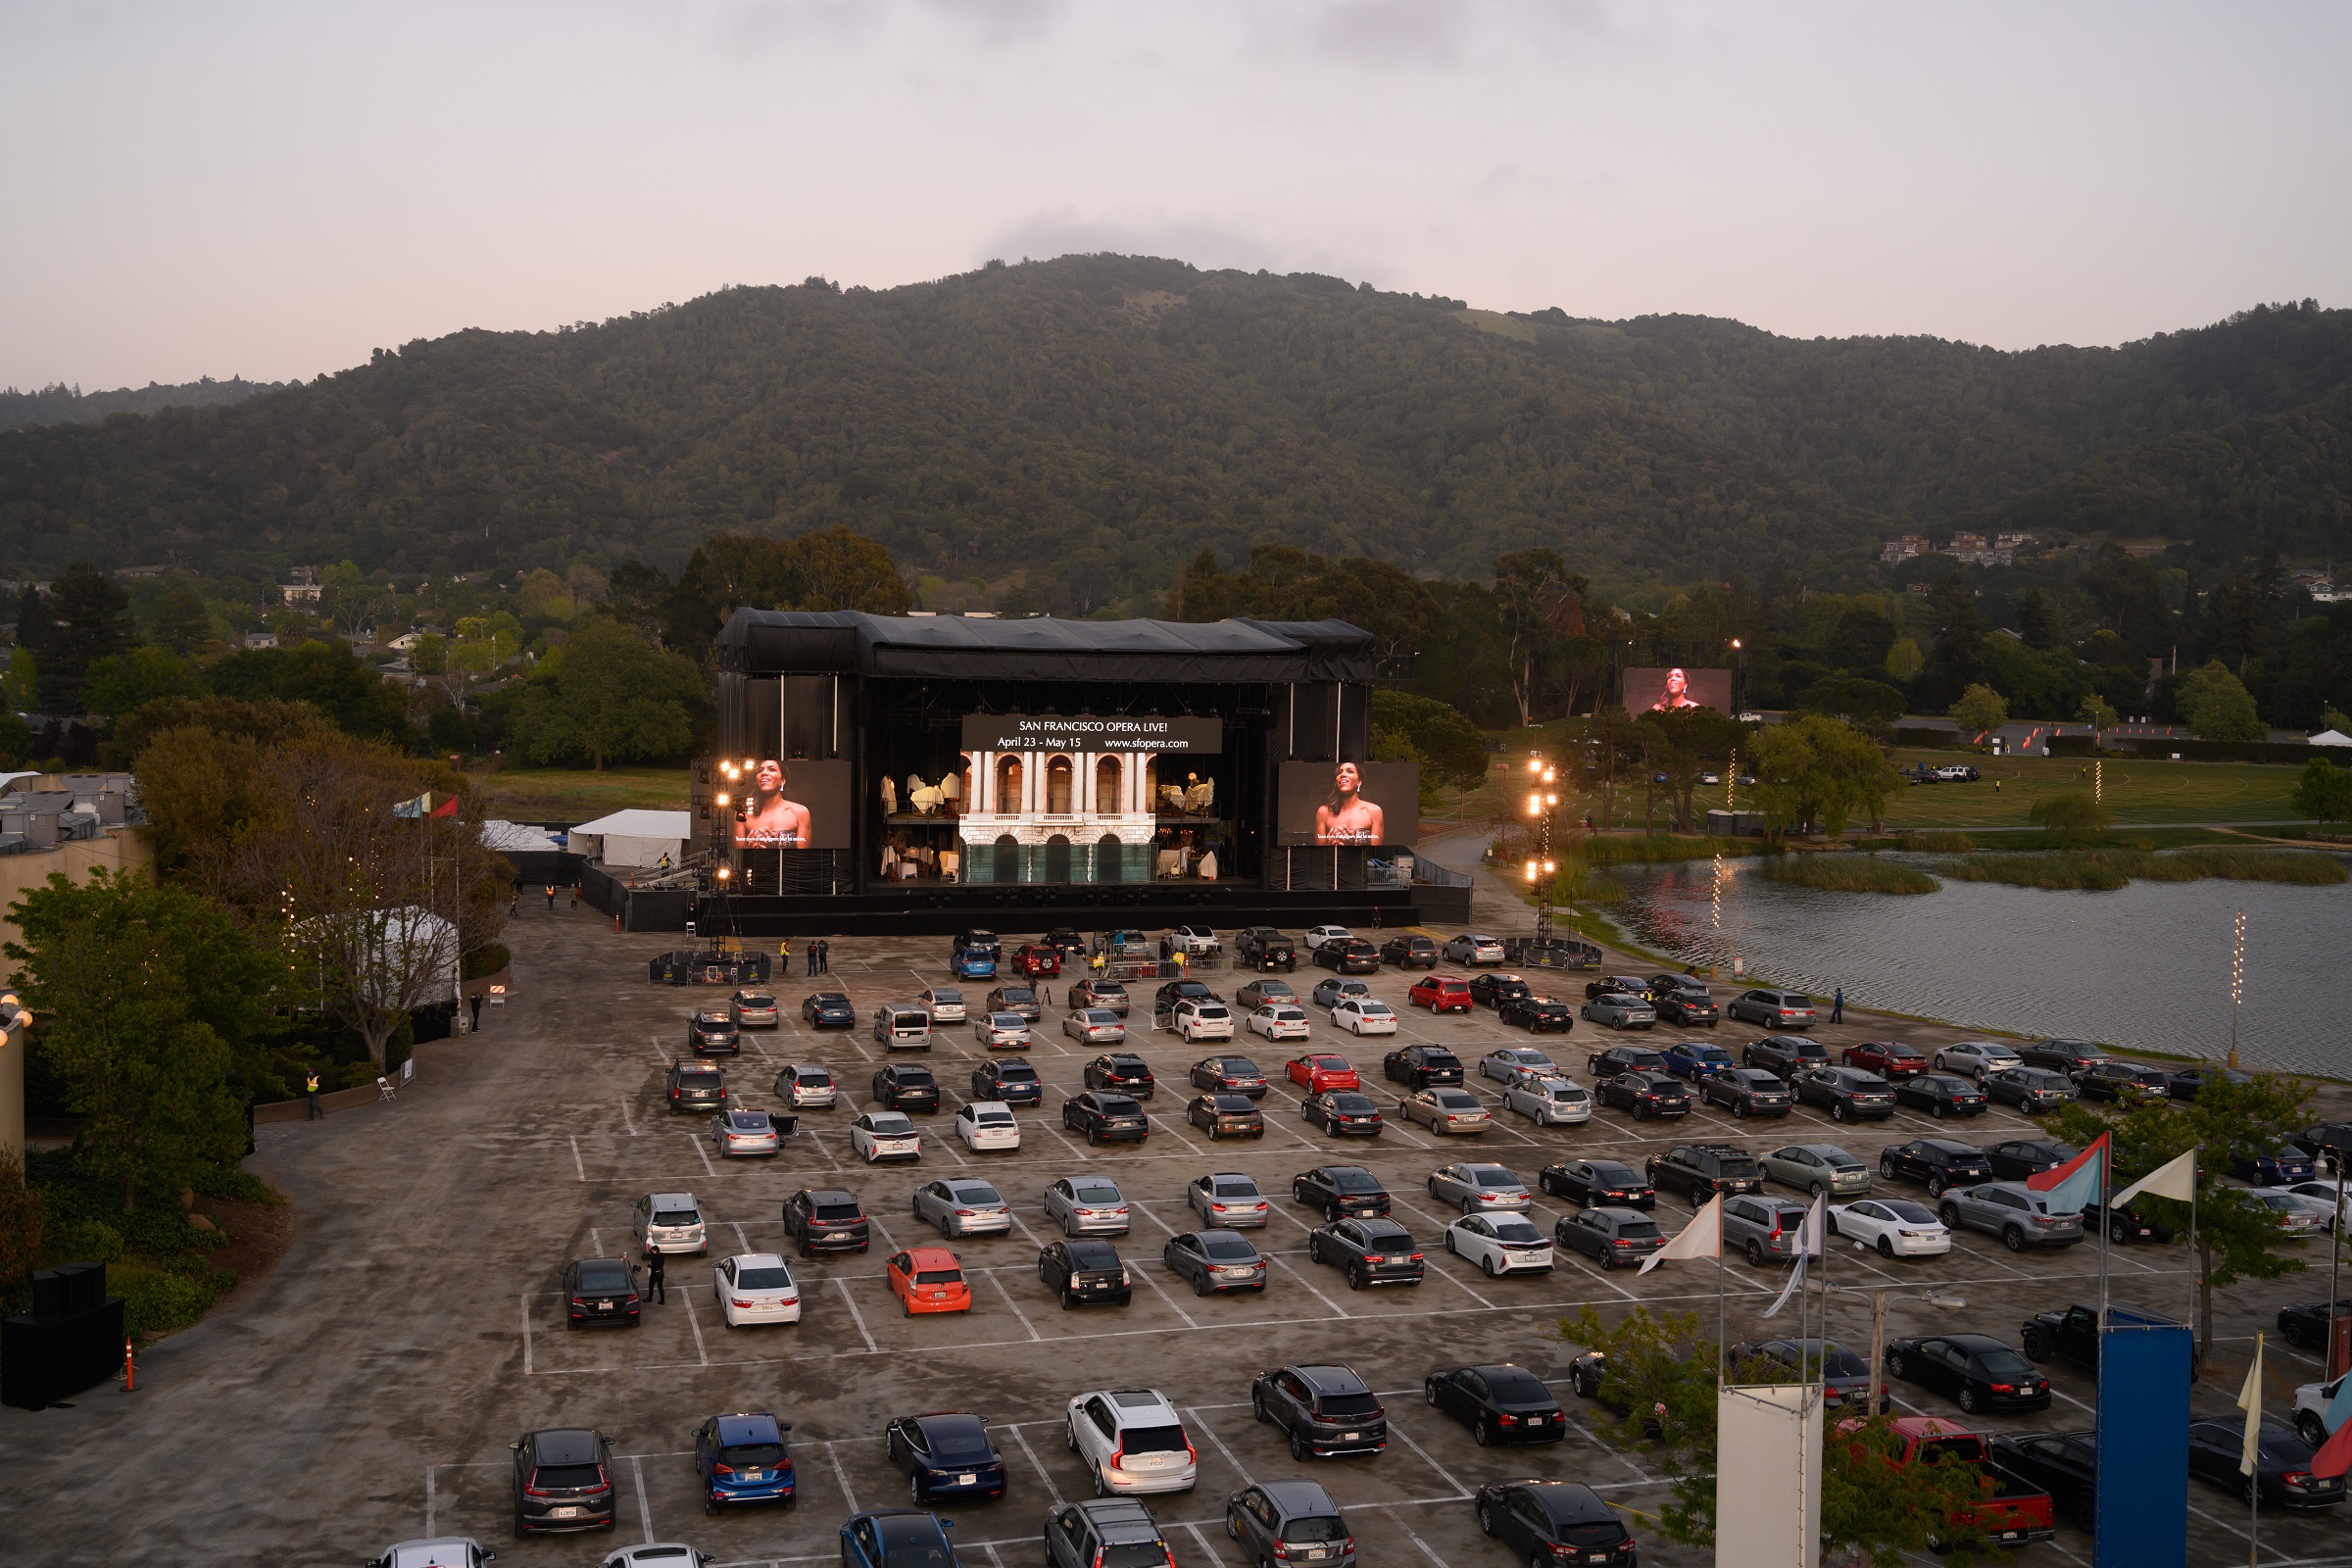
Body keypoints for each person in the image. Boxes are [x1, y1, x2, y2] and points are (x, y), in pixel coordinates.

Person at [737, 759, 813, 847]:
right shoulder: (742, 813)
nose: (764, 773)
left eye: (772, 769)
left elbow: (802, 856)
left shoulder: (800, 812)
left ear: (782, 781)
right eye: (760, 770)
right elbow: (737, 856)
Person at [1313, 760, 1386, 846]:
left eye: (1350, 771)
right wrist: (1330, 845)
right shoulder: (1323, 812)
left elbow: (1375, 853)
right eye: (1339, 772)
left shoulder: (1374, 811)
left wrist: (1352, 846)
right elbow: (1319, 853)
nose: (1343, 775)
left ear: (1359, 782)